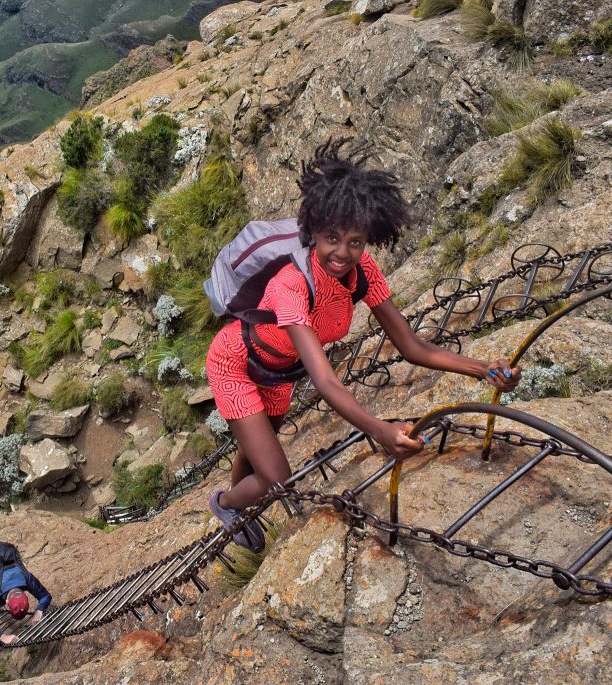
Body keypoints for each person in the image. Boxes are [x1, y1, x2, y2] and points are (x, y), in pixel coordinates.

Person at [205, 140, 522, 552]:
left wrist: (485, 369)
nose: (343, 252)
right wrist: (380, 431)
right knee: (277, 478)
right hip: (236, 363)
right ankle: (227, 504)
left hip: (280, 372)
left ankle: (245, 508)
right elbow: (324, 379)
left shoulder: (364, 271)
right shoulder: (291, 284)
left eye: (356, 241)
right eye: (332, 238)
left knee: (257, 448)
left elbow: (410, 345)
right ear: (314, 231)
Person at [0, 543, 51, 644]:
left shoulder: (26, 578)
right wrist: (2, 637)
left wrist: (39, 610)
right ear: (6, 601)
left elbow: (45, 596)